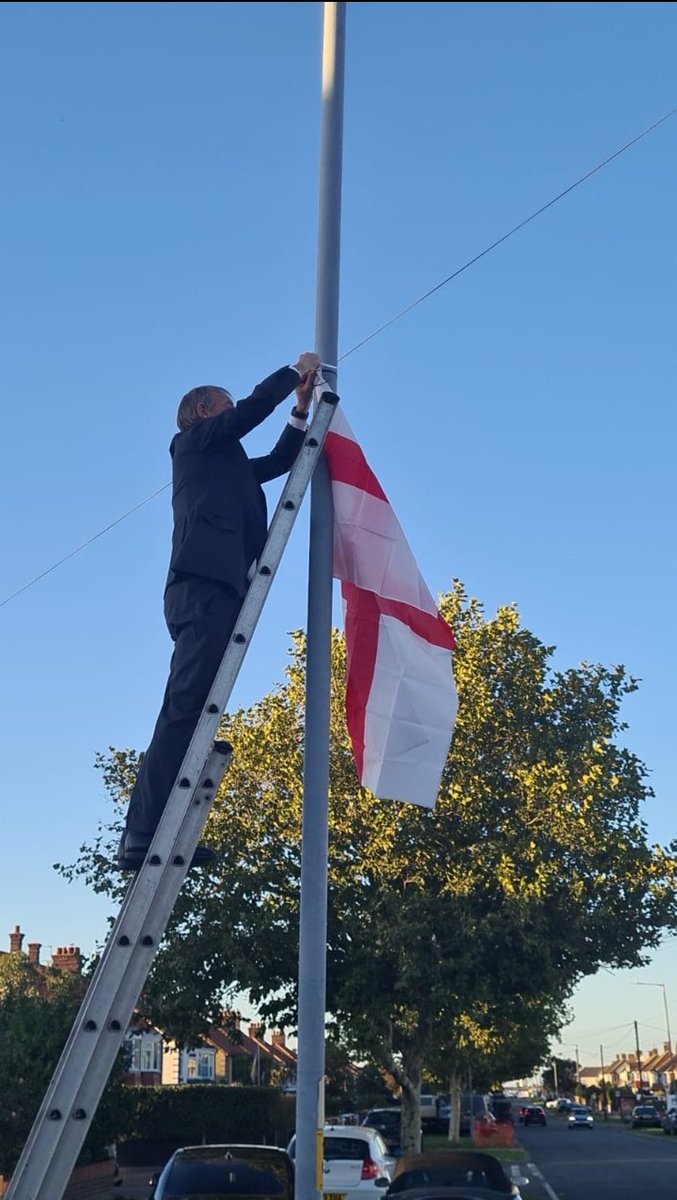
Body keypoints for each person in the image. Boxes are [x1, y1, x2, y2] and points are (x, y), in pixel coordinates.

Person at [116, 351, 321, 870]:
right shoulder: (192, 443)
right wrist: (294, 372)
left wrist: (301, 409)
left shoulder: (226, 467)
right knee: (184, 708)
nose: (233, 413)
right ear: (204, 412)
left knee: (193, 710)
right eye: (225, 406)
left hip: (220, 589)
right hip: (202, 588)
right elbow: (250, 411)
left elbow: (278, 462)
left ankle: (163, 828)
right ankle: (141, 834)